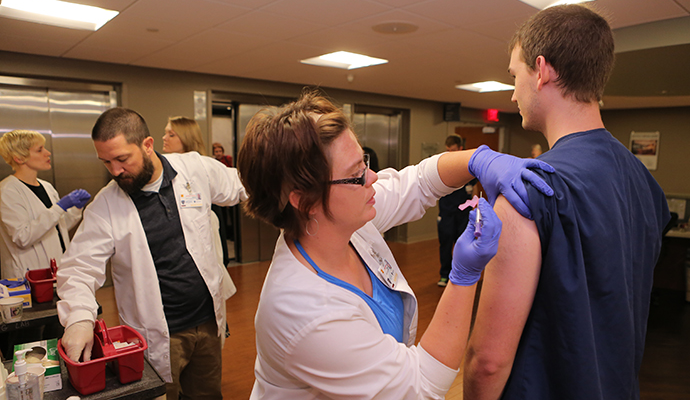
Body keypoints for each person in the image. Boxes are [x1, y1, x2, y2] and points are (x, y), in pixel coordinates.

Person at [237, 90, 555, 399]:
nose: (372, 178)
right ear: (305, 201)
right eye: (355, 175)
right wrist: (463, 277)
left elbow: (417, 182)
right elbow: (420, 388)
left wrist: (478, 159)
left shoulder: (344, 223)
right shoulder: (303, 312)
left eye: (365, 164)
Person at [462, 4, 671, 400]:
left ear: (541, 71)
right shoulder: (645, 184)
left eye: (515, 75)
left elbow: (488, 361)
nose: (512, 92)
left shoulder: (529, 191)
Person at [56, 108, 247, 400]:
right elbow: (78, 269)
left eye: (122, 159)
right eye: (106, 161)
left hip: (208, 323)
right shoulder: (106, 206)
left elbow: (240, 186)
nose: (115, 170)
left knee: (207, 395)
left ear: (147, 145)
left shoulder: (194, 169)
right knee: (160, 394)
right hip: (159, 334)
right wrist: (80, 317)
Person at [161, 115, 237, 339]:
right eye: (165, 132)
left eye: (171, 134)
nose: (164, 138)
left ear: (186, 137)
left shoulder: (203, 168)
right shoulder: (161, 172)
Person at [0, 130, 89, 279]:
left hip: (57, 269)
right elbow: (22, 237)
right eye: (39, 150)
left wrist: (76, 209)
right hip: (28, 275)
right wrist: (59, 207)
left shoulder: (46, 186)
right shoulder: (7, 191)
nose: (47, 153)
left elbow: (58, 227)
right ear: (19, 158)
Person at [436, 135, 473, 287]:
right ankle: (445, 275)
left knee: (462, 244)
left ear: (460, 149)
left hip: (463, 213)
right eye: (447, 150)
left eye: (452, 150)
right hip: (446, 213)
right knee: (445, 245)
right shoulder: (443, 165)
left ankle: (460, 274)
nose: (449, 153)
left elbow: (473, 188)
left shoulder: (468, 166)